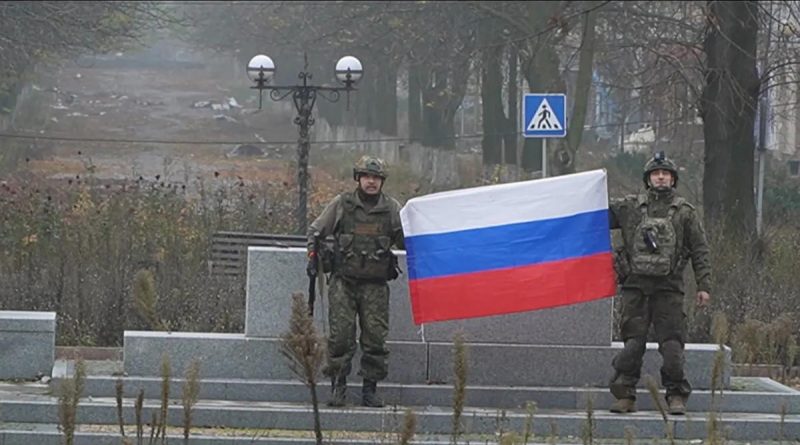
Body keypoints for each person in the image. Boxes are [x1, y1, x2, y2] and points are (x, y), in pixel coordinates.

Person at [607, 151, 712, 415]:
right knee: (632, 345)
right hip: (635, 288)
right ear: (648, 179)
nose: (661, 177)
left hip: (669, 289)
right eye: (656, 173)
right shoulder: (629, 207)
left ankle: (676, 395)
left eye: (666, 173)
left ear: (673, 179)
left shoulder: (685, 213)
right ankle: (624, 395)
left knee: (673, 346)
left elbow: (700, 250)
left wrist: (704, 285)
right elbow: (596, 217)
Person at [306, 155, 404, 408]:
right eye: (366, 177)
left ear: (382, 181)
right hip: (344, 284)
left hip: (375, 286)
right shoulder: (342, 205)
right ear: (358, 178)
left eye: (376, 178)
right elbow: (316, 231)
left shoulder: (392, 209)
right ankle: (338, 387)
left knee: (375, 340)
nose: (371, 182)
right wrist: (312, 257)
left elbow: (407, 240)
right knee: (340, 338)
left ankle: (370, 390)